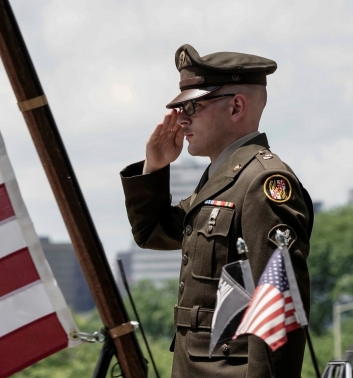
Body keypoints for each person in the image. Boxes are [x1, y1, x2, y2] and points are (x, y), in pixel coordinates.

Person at [120, 44, 313, 377]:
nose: (181, 119)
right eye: (180, 107)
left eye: (193, 106)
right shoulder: (221, 179)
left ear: (236, 106)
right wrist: (154, 167)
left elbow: (276, 312)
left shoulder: (262, 182)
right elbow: (151, 232)